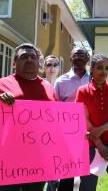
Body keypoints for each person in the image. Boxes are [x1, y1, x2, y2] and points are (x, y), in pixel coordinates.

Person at [0, 43, 56, 191]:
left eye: (33, 57)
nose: (29, 60)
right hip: (7, 165)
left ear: (39, 62)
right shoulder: (1, 84)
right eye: (24, 57)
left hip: (38, 165)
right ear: (14, 63)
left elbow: (57, 122)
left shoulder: (48, 88)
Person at [76, 53, 108, 191]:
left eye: (106, 68)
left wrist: (100, 130)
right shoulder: (83, 91)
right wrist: (98, 142)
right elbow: (83, 119)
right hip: (91, 146)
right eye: (99, 67)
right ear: (92, 68)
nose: (103, 71)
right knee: (87, 188)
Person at [54, 46, 90, 191]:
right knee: (66, 173)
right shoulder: (61, 81)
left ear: (88, 59)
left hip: (89, 131)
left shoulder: (94, 79)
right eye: (76, 55)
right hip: (67, 133)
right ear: (70, 59)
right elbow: (54, 107)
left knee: (87, 173)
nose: (79, 57)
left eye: (83, 55)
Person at [43, 55, 60, 191]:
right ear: (44, 68)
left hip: (60, 135)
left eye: (55, 65)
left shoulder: (63, 84)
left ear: (59, 68)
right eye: (49, 65)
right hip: (41, 135)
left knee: (55, 171)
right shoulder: (39, 85)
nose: (52, 68)